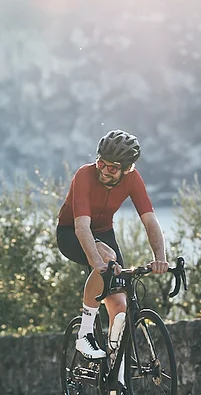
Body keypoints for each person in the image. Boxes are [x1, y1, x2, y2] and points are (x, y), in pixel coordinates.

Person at [56, 129, 169, 361]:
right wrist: (99, 264)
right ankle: (84, 334)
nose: (104, 171)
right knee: (107, 257)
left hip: (104, 234)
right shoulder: (84, 175)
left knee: (120, 305)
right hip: (71, 233)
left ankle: (115, 364)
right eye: (101, 163)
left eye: (112, 167)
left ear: (127, 169)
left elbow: (150, 221)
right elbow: (81, 228)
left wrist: (161, 258)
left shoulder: (132, 180)